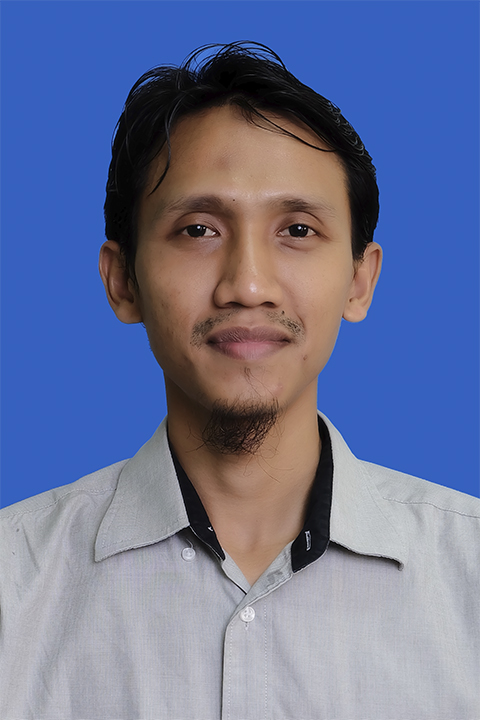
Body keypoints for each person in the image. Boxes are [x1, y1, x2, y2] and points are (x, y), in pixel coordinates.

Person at [0, 42, 478, 720]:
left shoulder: (469, 577)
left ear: (360, 280)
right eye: (199, 229)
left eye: (297, 229)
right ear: (123, 281)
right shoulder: (13, 586)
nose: (248, 285)